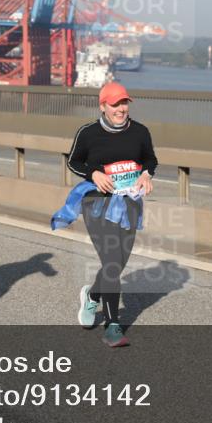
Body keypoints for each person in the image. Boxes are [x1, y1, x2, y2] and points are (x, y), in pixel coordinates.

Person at [60, 81, 157, 347]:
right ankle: (113, 326)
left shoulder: (140, 132)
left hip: (129, 204)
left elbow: (150, 159)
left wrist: (147, 174)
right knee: (112, 260)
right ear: (103, 106)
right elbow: (73, 161)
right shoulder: (89, 133)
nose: (121, 109)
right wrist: (94, 173)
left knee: (119, 261)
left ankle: (92, 296)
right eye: (115, 104)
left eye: (124, 103)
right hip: (97, 204)